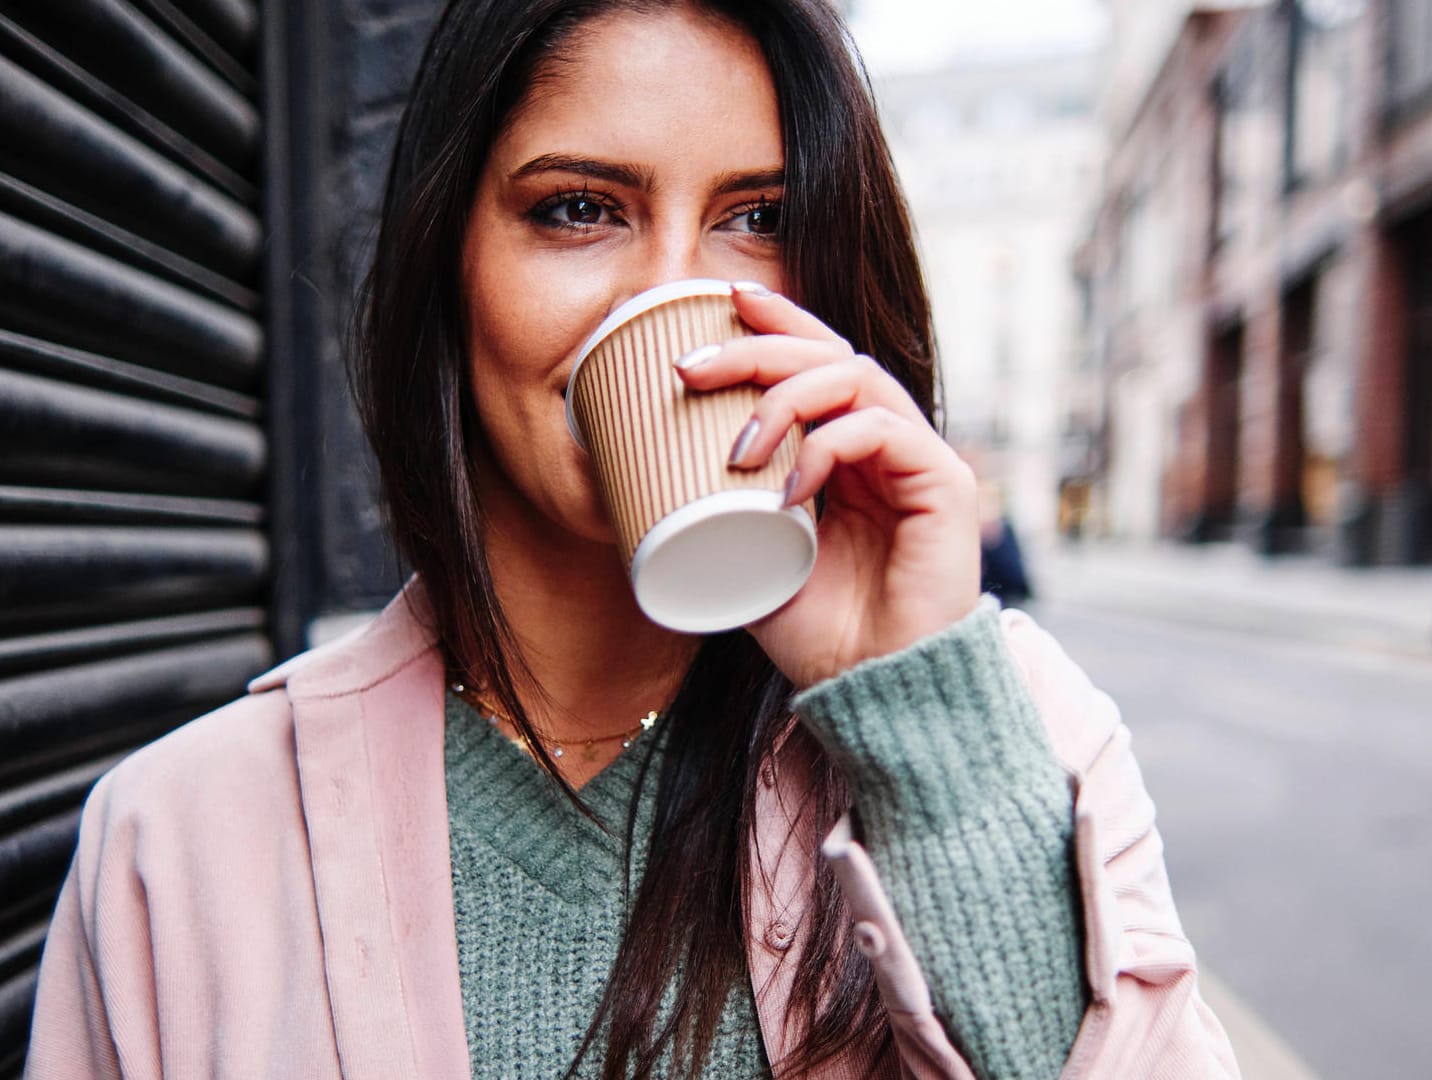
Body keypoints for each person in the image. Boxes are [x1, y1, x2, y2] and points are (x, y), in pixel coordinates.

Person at [25, 2, 1237, 1077]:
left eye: (757, 217)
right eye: (576, 211)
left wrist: (916, 709)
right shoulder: (176, 841)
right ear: (450, 265)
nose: (670, 303)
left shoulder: (1020, 731)